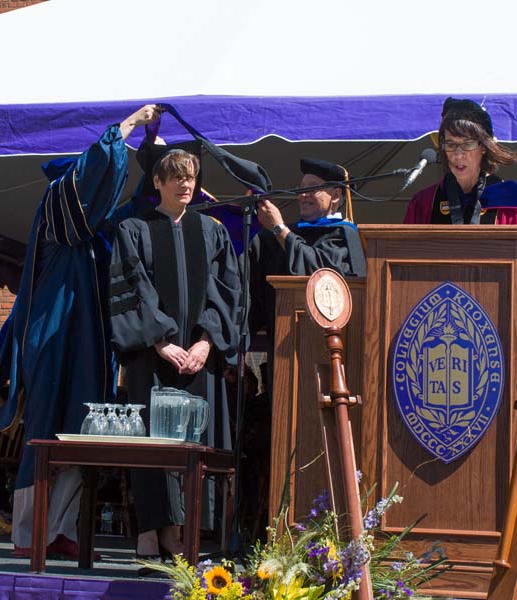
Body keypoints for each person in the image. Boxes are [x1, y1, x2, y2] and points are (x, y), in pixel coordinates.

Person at [0, 105, 162, 559]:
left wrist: (150, 154)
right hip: (53, 337)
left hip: (90, 345)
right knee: (45, 433)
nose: (98, 197)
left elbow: (134, 208)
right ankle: (28, 533)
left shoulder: (93, 234)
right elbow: (96, 173)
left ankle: (59, 529)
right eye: (91, 188)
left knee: (81, 432)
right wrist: (128, 127)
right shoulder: (56, 212)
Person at [108, 148, 240, 560]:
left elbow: (229, 292)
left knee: (196, 442)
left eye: (191, 176)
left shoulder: (212, 231)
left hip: (200, 358)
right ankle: (150, 531)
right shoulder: (134, 229)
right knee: (152, 441)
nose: (185, 184)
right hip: (152, 356)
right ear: (158, 182)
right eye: (176, 177)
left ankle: (184, 532)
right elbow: (132, 287)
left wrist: (204, 341)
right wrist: (162, 341)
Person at [403, 97, 517, 277]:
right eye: (451, 145)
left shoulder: (512, 206)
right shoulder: (424, 203)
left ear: (484, 147)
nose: (458, 156)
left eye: (467, 144)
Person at [248, 157, 367, 344]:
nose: (303, 195)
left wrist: (279, 229)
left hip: (324, 343)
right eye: (301, 189)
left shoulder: (344, 235)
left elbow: (319, 275)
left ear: (335, 195)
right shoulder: (286, 233)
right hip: (281, 337)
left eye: (312, 188)